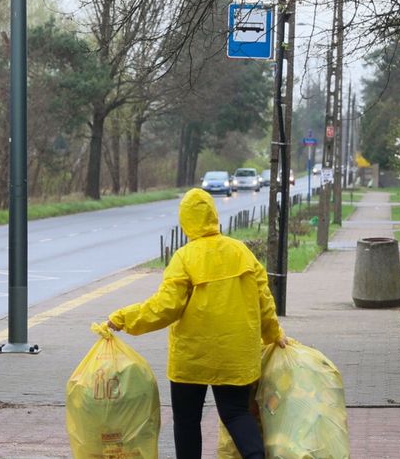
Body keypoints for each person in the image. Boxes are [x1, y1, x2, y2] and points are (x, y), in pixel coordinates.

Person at [106, 188, 288, 459]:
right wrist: (275, 335)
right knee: (236, 414)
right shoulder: (242, 253)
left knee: (187, 421)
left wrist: (124, 319)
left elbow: (165, 307)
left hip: (192, 358)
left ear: (186, 221)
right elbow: (264, 301)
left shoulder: (185, 257)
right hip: (235, 357)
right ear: (214, 216)